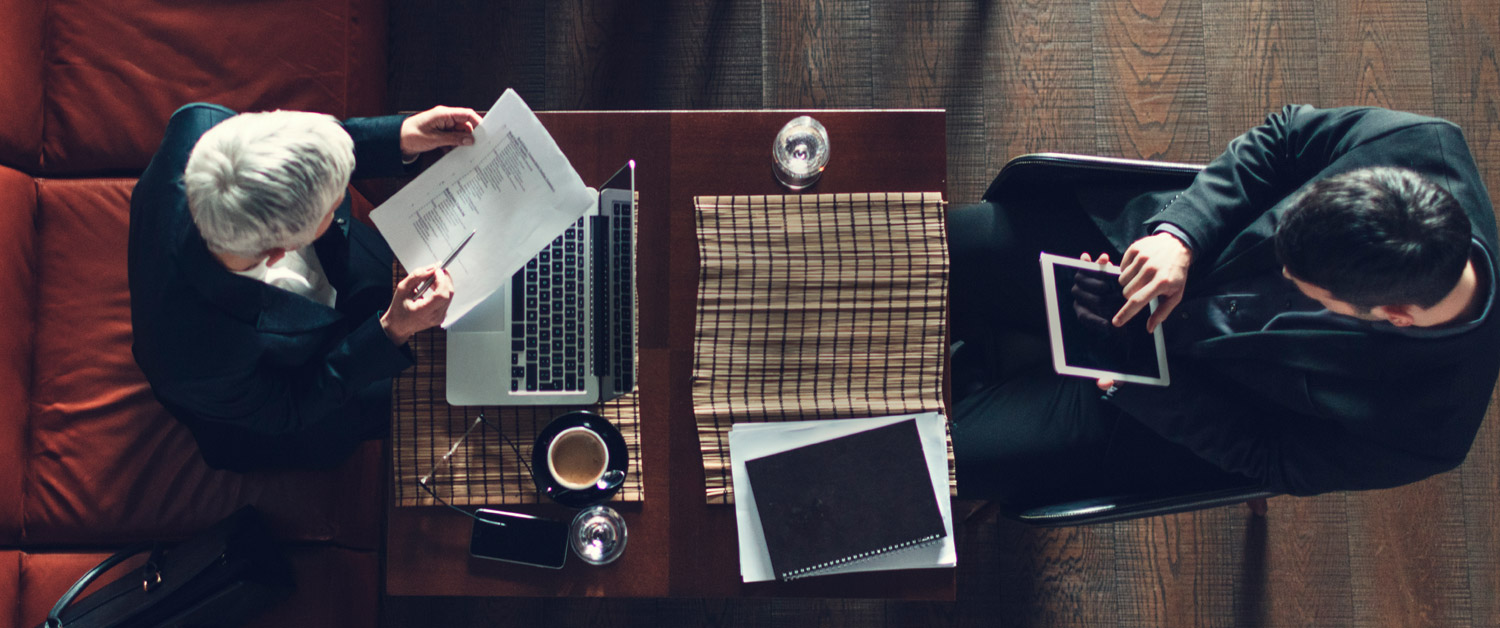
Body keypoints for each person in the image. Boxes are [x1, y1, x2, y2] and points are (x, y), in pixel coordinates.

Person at [948, 105, 1499, 507]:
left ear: (1394, 314)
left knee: (926, 468)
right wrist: (1179, 236)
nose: (1280, 274)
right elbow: (1283, 138)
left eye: (1303, 285)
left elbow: (1273, 458)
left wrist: (1131, 377)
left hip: (1156, 406)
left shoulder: (1431, 433)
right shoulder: (1424, 145)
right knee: (914, 252)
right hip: (1121, 251)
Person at [129, 102, 482, 471]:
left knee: (386, 274)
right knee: (426, 399)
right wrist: (391, 330)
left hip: (328, 272)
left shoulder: (203, 125)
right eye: (334, 206)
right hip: (284, 405)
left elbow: (297, 148)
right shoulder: (194, 361)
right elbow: (291, 407)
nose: (345, 195)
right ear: (284, 249)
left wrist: (400, 136)